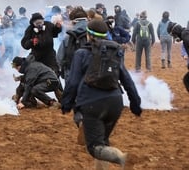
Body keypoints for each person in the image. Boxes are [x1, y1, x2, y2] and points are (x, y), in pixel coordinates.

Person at [61, 18, 142, 168]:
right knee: (103, 142)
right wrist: (135, 104)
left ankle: (122, 158)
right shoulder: (116, 52)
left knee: (94, 147)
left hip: (92, 104)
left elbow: (72, 82)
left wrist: (66, 104)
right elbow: (127, 81)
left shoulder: (81, 53)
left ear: (89, 35)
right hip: (115, 103)